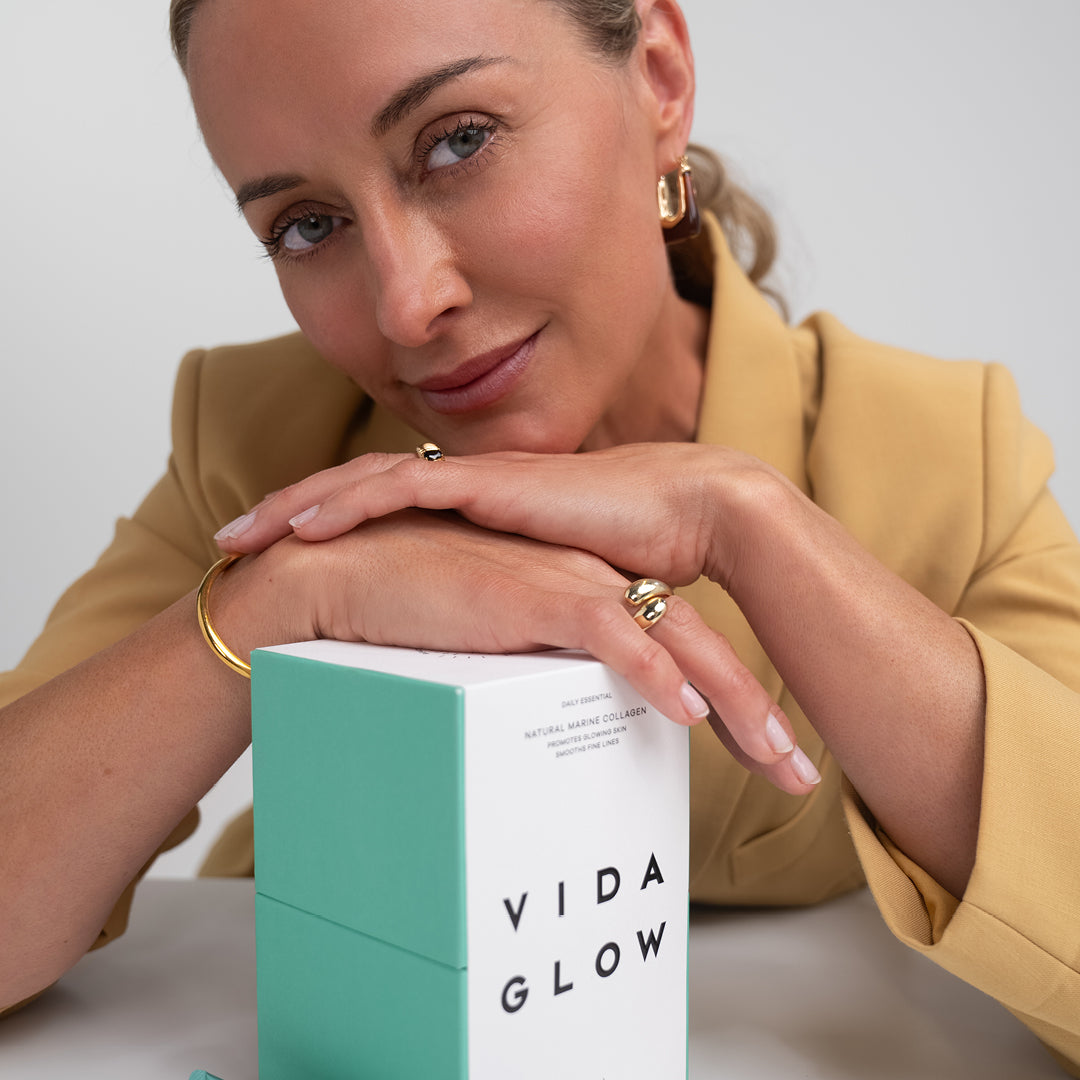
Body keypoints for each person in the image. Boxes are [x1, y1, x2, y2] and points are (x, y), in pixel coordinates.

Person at [1, 0, 1077, 1072]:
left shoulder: (941, 454)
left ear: (658, 79)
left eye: (458, 141)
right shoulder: (265, 443)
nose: (407, 303)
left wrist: (747, 523)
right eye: (308, 226)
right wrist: (278, 600)